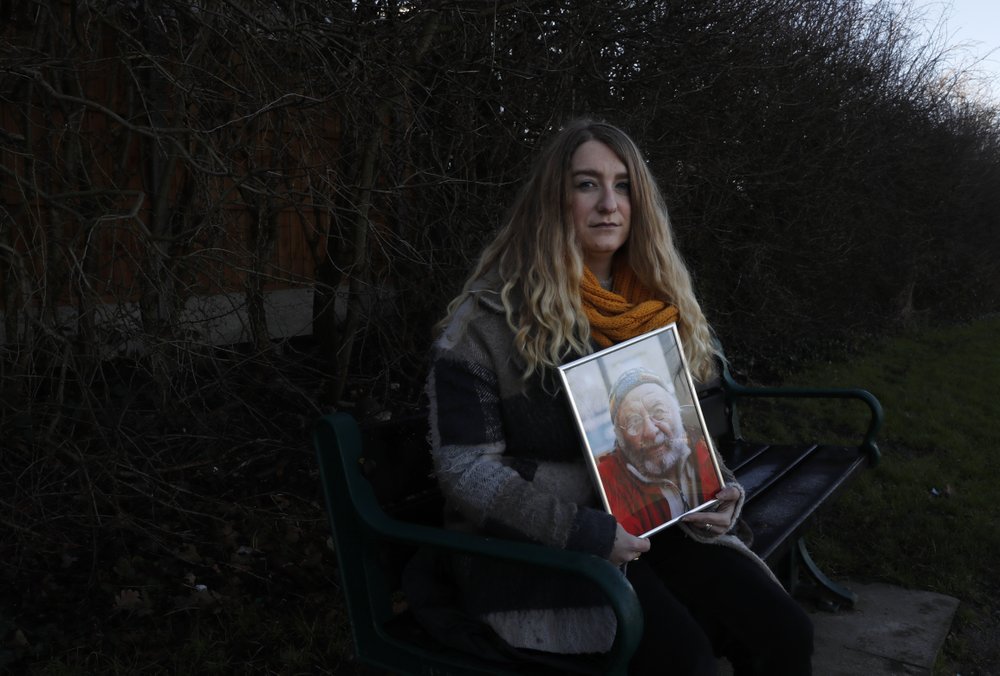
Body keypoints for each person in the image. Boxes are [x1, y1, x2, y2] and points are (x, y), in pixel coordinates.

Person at [425, 119, 813, 675]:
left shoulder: (655, 306)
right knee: (684, 662)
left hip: (662, 527)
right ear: (552, 201)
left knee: (785, 632)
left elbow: (683, 426)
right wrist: (584, 531)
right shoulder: (486, 322)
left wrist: (715, 489)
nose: (609, 203)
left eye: (623, 185)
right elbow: (463, 469)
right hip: (548, 549)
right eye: (587, 184)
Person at [598, 367, 723, 537]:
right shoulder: (609, 479)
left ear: (677, 414)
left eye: (658, 411)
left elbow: (724, 496)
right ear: (620, 439)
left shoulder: (701, 446)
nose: (650, 431)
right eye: (634, 421)